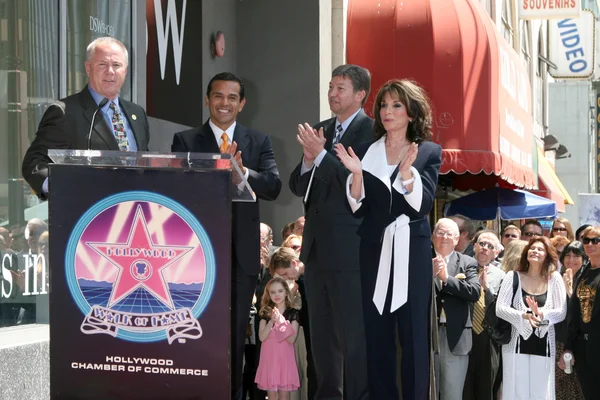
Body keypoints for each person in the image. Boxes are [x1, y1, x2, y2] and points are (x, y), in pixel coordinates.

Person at [171, 72, 282, 399]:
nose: (224, 103)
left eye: (232, 97)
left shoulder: (258, 141)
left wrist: (243, 171)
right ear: (208, 100)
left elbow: (274, 186)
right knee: (198, 333)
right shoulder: (185, 141)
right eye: (218, 96)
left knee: (233, 337)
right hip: (196, 256)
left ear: (242, 103)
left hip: (241, 256)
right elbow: (176, 190)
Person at [336, 78, 441, 400]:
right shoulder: (369, 151)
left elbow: (423, 205)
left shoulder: (427, 151)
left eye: (396, 105)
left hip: (412, 247)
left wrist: (408, 173)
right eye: (383, 105)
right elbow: (359, 208)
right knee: (376, 332)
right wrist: (356, 175)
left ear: (411, 113)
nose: (387, 111)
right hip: (374, 247)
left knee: (412, 334)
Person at [288, 64, 372, 400]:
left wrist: (320, 156)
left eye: (341, 88)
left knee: (352, 336)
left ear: (360, 94)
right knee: (321, 338)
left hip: (351, 250)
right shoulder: (320, 130)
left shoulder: (372, 132)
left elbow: (356, 183)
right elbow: (297, 185)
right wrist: (309, 159)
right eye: (330, 87)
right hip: (316, 251)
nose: (332, 94)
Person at [22, 36, 150, 198]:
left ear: (125, 70)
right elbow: (33, 163)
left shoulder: (137, 113)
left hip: (133, 209)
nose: (110, 71)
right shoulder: (65, 112)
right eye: (102, 64)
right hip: (87, 214)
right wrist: (61, 187)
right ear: (88, 68)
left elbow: (145, 164)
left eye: (117, 65)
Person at [496, 236, 567, 400]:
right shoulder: (512, 276)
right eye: (532, 248)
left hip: (544, 344)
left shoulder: (554, 278)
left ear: (547, 255)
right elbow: (501, 309)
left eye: (540, 249)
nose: (535, 251)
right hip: (515, 343)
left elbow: (561, 311)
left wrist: (541, 314)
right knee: (515, 393)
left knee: (541, 394)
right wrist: (524, 315)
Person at [431, 218, 480, 400]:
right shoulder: (420, 258)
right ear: (432, 236)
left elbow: (474, 292)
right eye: (440, 232)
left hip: (456, 338)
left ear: (457, 238)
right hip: (427, 336)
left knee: (452, 394)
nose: (444, 237)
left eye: (449, 234)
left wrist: (446, 279)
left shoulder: (467, 262)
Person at [462, 232, 505, 400]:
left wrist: (488, 289)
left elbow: (501, 309)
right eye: (482, 243)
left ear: (496, 253)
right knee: (464, 388)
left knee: (486, 389)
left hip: (488, 337)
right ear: (474, 246)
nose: (485, 248)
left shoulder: (502, 277)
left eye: (490, 246)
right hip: (464, 334)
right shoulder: (462, 268)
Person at [559, 227, 600, 399]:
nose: (589, 244)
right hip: (584, 349)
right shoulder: (583, 272)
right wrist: (568, 347)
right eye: (586, 240)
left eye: (595, 240)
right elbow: (574, 315)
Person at [255, 277, 301, 400]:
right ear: (268, 294)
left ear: (286, 292)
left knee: (284, 395)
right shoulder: (265, 313)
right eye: (273, 292)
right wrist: (271, 322)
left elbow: (291, 339)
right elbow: (261, 337)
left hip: (284, 360)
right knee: (272, 395)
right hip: (270, 359)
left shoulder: (293, 313)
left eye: (280, 291)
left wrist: (281, 322)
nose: (277, 295)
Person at [554, 241, 586, 400]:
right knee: (559, 387)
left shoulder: (587, 280)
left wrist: (571, 293)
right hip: (558, 340)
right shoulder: (556, 278)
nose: (571, 260)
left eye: (576, 256)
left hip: (579, 343)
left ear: (584, 258)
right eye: (568, 255)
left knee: (578, 388)